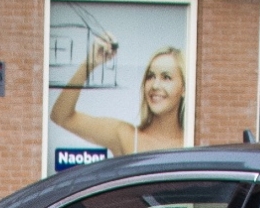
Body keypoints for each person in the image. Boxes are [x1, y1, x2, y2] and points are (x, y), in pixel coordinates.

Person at [51, 33, 188, 159]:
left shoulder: (193, 143)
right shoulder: (125, 136)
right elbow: (61, 116)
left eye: (166, 77)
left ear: (184, 89)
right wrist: (90, 63)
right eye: (150, 76)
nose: (155, 85)